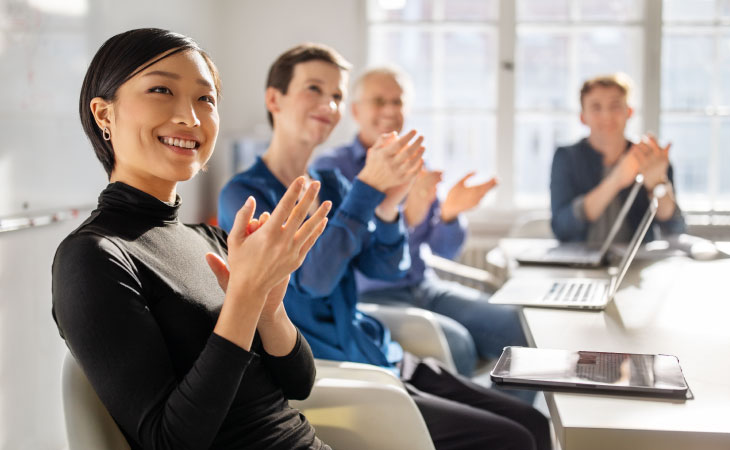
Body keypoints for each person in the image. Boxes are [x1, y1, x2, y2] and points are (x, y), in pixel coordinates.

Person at [218, 44, 551, 450]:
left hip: (379, 352)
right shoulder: (245, 194)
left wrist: (390, 204)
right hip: (338, 372)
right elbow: (313, 283)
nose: (329, 103)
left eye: (337, 95)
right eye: (314, 89)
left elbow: (387, 268)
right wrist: (369, 190)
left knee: (532, 422)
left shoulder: (334, 184)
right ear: (274, 99)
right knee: (511, 439)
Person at [52, 28, 333, 450]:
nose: (192, 118)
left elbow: (299, 383)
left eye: (206, 98)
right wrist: (244, 297)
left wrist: (268, 307)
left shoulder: (211, 239)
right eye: (161, 89)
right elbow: (170, 441)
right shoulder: (94, 256)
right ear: (104, 115)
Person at [312, 66, 528, 377]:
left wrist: (451, 214)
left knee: (520, 329)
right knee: (459, 345)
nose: (390, 110)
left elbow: (444, 250)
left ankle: (509, 420)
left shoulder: (416, 164)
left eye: (397, 102)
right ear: (356, 111)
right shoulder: (331, 168)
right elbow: (340, 252)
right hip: (371, 296)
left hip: (425, 287)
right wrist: (405, 218)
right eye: (379, 101)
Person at [550, 73, 686, 243]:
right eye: (596, 107)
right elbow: (562, 228)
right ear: (583, 117)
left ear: (629, 112)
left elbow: (675, 229)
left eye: (615, 106)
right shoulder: (567, 158)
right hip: (578, 263)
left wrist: (658, 184)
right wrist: (617, 179)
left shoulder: (650, 157)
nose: (607, 116)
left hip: (636, 263)